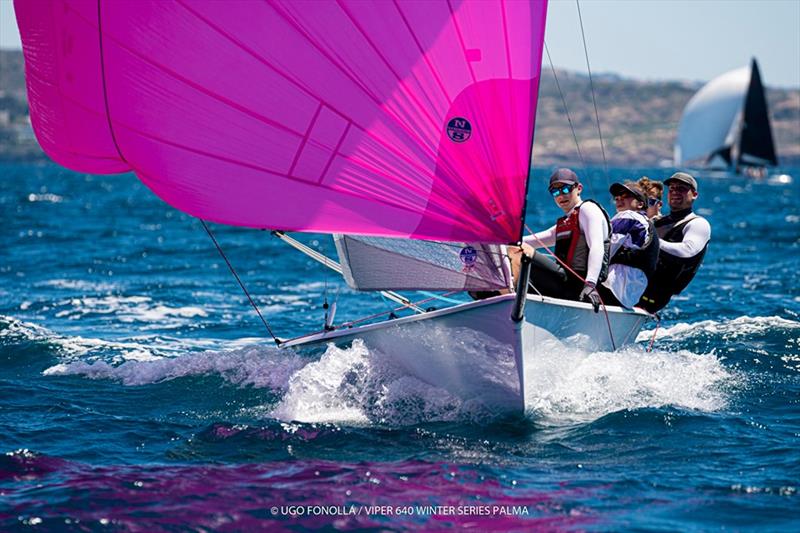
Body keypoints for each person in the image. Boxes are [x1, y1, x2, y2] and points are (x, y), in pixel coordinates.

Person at [511, 168, 611, 311]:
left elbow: (597, 246)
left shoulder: (588, 209)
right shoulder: (568, 220)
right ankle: (507, 299)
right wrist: (500, 240)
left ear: (579, 188)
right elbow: (531, 240)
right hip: (565, 282)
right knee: (514, 247)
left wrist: (590, 284)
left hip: (580, 285)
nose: (561, 196)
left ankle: (511, 301)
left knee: (520, 251)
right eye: (555, 192)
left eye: (565, 189)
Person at [638, 172, 711, 313]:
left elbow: (687, 251)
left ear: (694, 194)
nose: (675, 192)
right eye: (672, 189)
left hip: (653, 296)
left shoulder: (698, 224)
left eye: (681, 189)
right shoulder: (658, 221)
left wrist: (651, 240)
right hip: (634, 286)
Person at [597, 181, 659, 309]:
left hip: (613, 289)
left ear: (640, 204)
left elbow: (605, 251)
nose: (619, 199)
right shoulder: (646, 223)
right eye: (617, 198)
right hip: (628, 296)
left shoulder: (628, 216)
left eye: (625, 196)